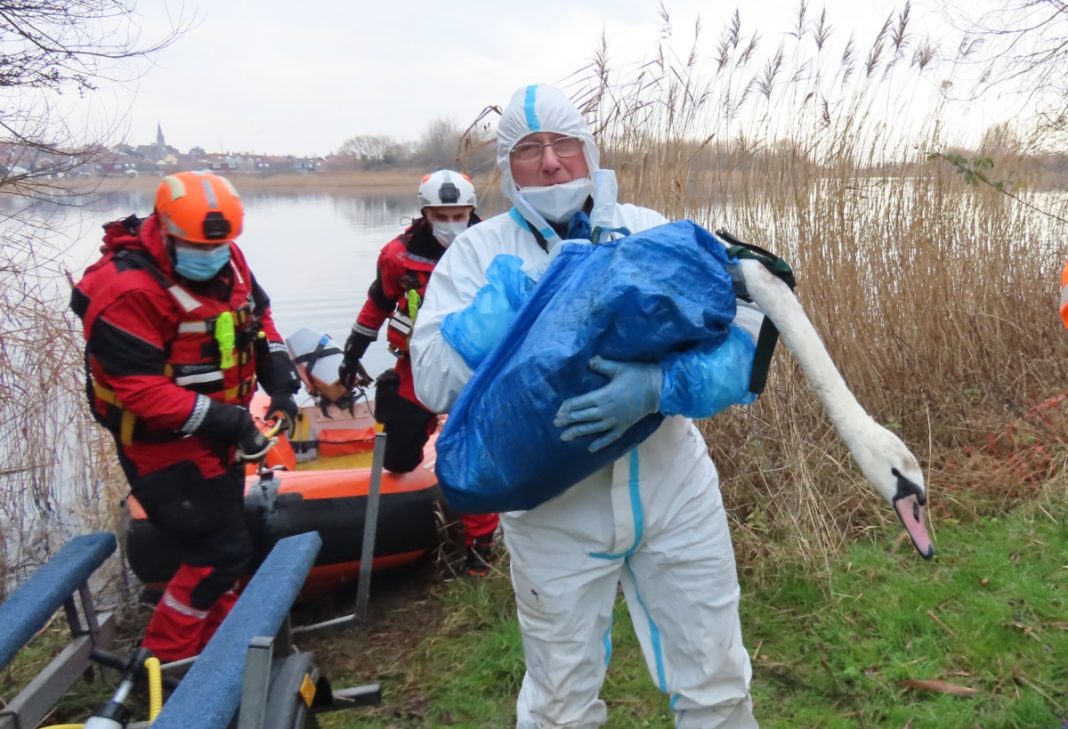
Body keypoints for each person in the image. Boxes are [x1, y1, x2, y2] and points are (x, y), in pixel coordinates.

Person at [410, 84, 762, 728]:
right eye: (529, 149)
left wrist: (658, 389)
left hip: (673, 490)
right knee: (559, 701)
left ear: (590, 150)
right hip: (550, 511)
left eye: (564, 144)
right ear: (506, 168)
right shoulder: (479, 255)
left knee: (717, 679)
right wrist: (504, 314)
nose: (550, 162)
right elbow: (430, 378)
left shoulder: (649, 231)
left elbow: (744, 350)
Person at [71, 171, 301, 662]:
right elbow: (140, 390)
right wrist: (234, 423)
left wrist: (280, 385)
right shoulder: (127, 289)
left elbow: (258, 321)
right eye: (199, 246)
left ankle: (218, 648)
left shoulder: (228, 260)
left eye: (221, 245)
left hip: (213, 433)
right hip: (161, 446)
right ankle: (168, 661)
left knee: (222, 549)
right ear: (167, 230)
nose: (213, 254)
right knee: (218, 553)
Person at [337, 170, 500, 576]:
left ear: (471, 211)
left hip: (475, 367)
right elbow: (378, 302)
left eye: (458, 214)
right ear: (425, 212)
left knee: (468, 454)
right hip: (418, 364)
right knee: (397, 459)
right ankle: (402, 414)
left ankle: (480, 547)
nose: (451, 224)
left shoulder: (492, 246)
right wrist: (353, 351)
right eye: (441, 215)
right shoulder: (399, 255)